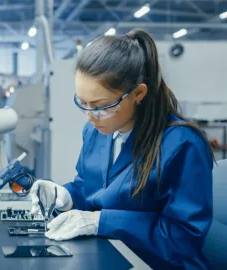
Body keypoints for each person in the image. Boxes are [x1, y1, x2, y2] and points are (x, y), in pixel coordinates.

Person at [30, 28, 214, 269]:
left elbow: (182, 239)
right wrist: (65, 196)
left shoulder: (182, 145)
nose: (90, 117)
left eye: (101, 106)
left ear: (138, 93)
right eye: (82, 103)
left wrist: (101, 222)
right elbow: (89, 189)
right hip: (111, 255)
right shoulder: (96, 132)